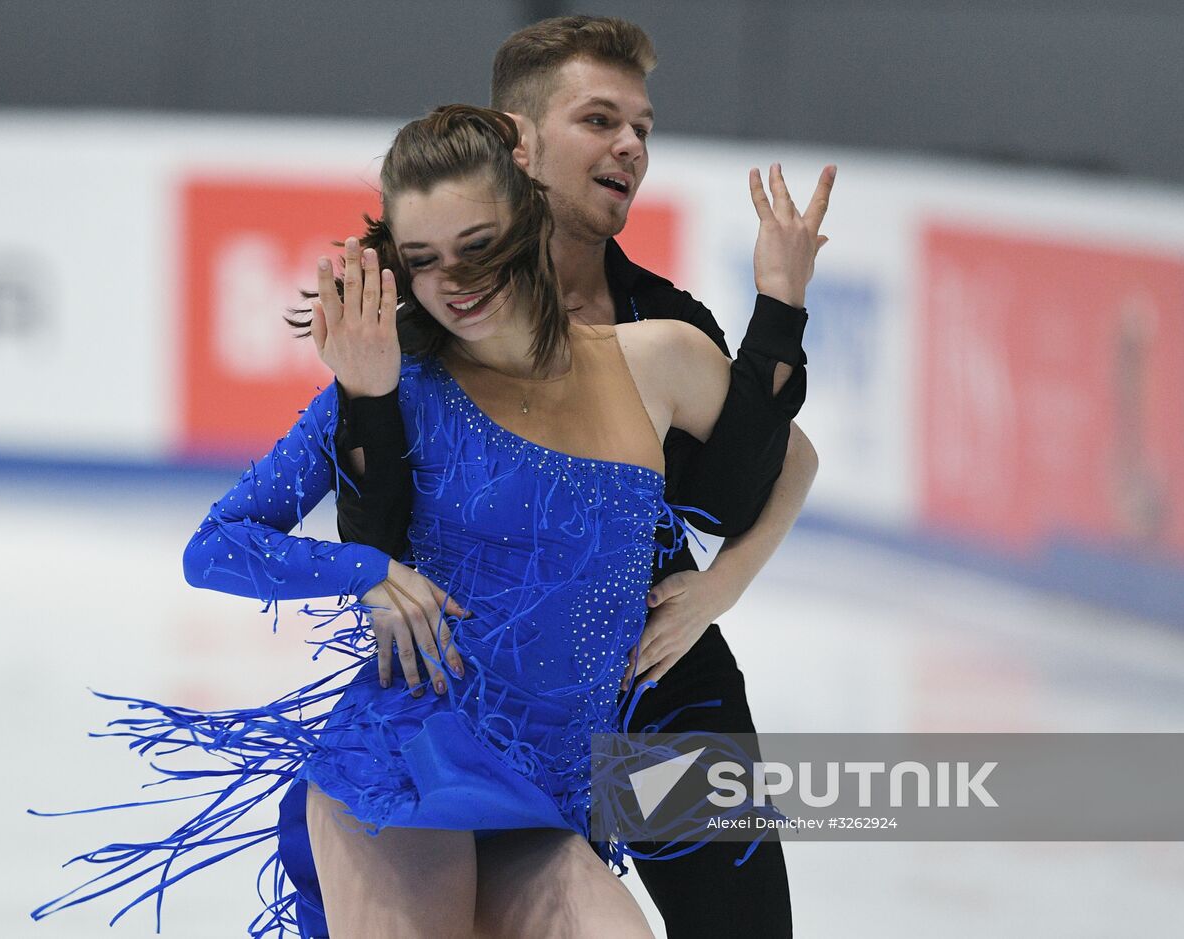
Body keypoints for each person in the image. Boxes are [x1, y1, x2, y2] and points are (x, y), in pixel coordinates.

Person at [30, 104, 826, 938]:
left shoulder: (657, 359)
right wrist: (368, 572)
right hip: (406, 767)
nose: (454, 281)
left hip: (549, 799)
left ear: (526, 217)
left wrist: (719, 587)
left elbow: (786, 456)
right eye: (423, 260)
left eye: (476, 246)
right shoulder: (398, 384)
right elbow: (216, 545)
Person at [329, 16, 830, 936]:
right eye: (600, 120)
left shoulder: (659, 320)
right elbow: (375, 523)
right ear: (519, 141)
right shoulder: (428, 317)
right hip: (487, 695)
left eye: (642, 127)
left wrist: (721, 584)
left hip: (655, 683)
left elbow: (765, 470)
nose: (631, 146)